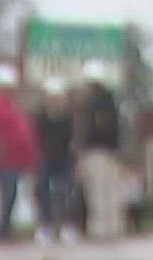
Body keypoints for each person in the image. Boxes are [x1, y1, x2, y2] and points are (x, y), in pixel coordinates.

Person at [0, 62, 40, 243]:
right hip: (4, 162)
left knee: (12, 196)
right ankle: (2, 231)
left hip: (17, 161)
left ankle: (6, 229)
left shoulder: (12, 106)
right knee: (7, 195)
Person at [73, 60, 124, 239]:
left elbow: (88, 129)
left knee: (97, 191)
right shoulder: (111, 100)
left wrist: (79, 148)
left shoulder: (91, 102)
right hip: (110, 151)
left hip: (95, 151)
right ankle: (113, 226)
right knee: (110, 190)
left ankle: (100, 228)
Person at [31, 76, 79, 244]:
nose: (55, 100)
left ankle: (67, 227)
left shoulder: (68, 118)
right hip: (45, 160)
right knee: (43, 194)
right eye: (52, 97)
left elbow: (72, 139)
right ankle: (45, 227)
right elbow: (35, 138)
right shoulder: (39, 117)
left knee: (66, 194)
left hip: (64, 160)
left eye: (58, 97)